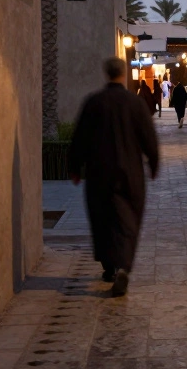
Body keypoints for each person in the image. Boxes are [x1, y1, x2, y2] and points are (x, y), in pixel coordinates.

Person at [67, 57, 160, 297]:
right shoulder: (135, 103)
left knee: (102, 217)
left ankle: (109, 266)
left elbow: (80, 138)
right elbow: (148, 136)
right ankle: (123, 266)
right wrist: (154, 163)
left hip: (100, 173)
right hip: (130, 173)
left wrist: (75, 167)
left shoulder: (94, 102)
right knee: (128, 218)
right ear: (123, 74)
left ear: (106, 74)